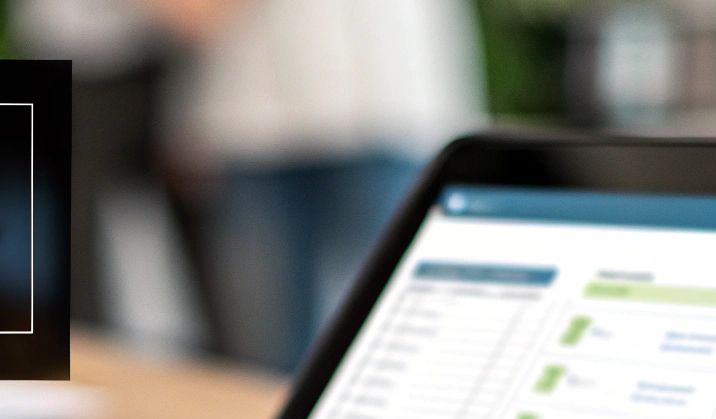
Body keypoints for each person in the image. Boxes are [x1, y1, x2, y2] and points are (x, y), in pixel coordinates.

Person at [154, 0, 483, 371]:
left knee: (393, 351)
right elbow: (190, 16)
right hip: (249, 132)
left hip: (393, 117)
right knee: (266, 363)